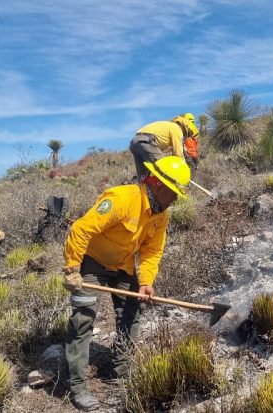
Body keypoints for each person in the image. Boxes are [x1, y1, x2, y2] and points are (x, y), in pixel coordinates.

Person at [61, 156, 191, 411]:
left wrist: (146, 282)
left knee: (133, 311)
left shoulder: (161, 215)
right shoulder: (122, 198)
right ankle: (78, 387)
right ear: (158, 184)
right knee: (83, 320)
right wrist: (72, 268)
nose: (175, 199)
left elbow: (152, 252)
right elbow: (81, 229)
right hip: (93, 264)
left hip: (123, 267)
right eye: (173, 192)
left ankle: (120, 371)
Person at [129, 113, 199, 181]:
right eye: (187, 134)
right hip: (146, 142)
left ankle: (139, 189)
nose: (185, 136)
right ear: (185, 128)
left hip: (134, 142)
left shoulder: (168, 125)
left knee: (143, 176)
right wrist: (183, 173)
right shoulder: (177, 129)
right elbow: (178, 154)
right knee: (165, 169)